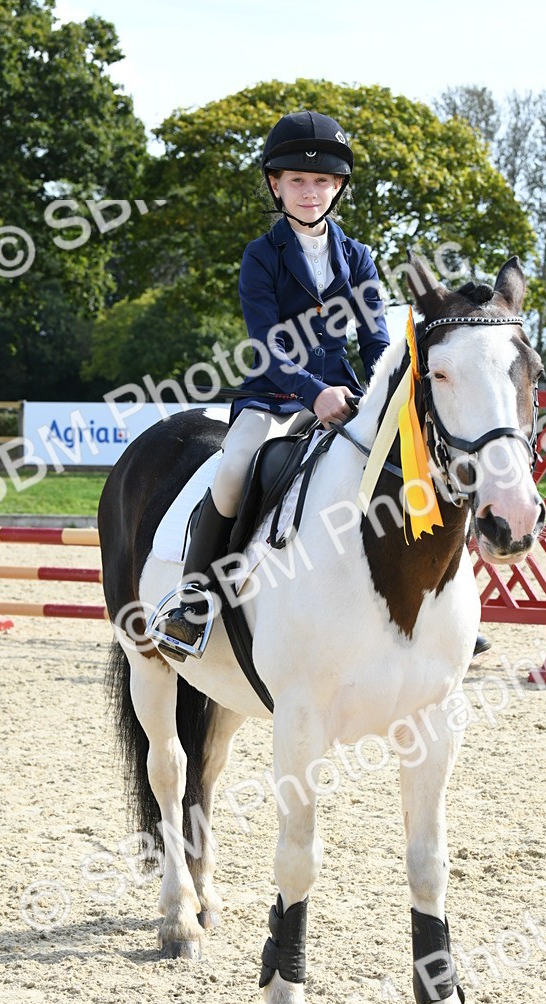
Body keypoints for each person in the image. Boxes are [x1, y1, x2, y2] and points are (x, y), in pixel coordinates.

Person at [153, 110, 391, 655]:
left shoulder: (358, 258)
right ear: (275, 185)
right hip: (276, 395)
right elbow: (268, 344)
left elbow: (376, 336)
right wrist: (314, 392)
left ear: (338, 188)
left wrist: (378, 390)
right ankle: (194, 600)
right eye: (298, 181)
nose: (311, 192)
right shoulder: (261, 255)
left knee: (410, 461)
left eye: (322, 182)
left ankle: (426, 596)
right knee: (235, 466)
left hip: (347, 395)